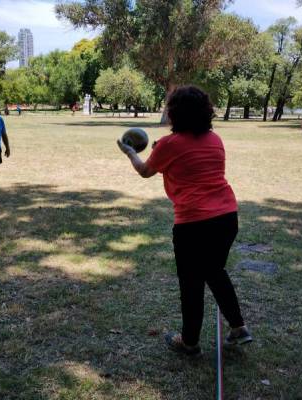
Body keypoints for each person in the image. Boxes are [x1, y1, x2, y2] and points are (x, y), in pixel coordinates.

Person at [117, 85, 252, 356]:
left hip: (194, 224)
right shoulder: (215, 140)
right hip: (226, 217)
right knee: (215, 272)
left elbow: (145, 171)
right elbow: (189, 162)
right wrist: (162, 151)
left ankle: (189, 342)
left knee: (191, 283)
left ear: (175, 112)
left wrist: (130, 152)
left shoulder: (170, 144)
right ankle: (239, 328)